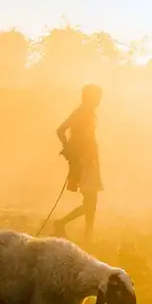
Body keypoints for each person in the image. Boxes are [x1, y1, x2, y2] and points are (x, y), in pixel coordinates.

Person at [52, 84, 103, 243]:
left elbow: (61, 131)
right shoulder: (82, 114)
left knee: (91, 201)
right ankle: (63, 224)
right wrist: (70, 151)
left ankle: (87, 234)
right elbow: (61, 130)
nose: (98, 101)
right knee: (90, 200)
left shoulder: (86, 113)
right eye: (96, 98)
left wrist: (70, 150)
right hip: (85, 162)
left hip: (89, 160)